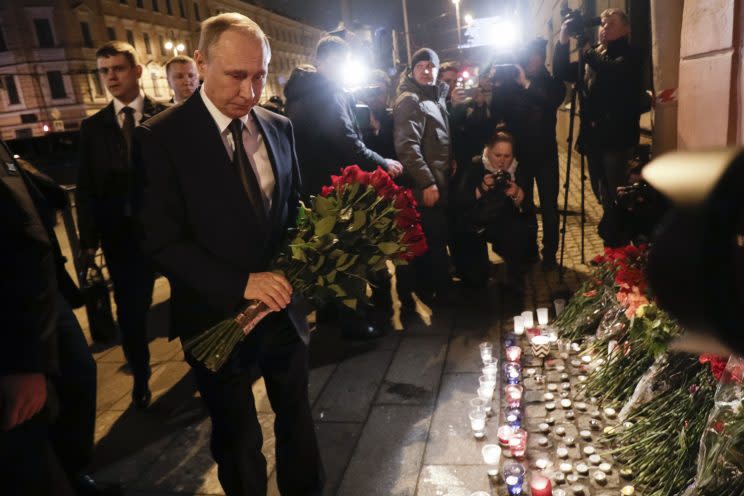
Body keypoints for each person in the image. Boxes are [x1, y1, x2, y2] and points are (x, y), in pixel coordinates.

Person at [136, 13, 323, 496]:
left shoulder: (280, 127)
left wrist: (314, 258)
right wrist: (240, 284)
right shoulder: (161, 137)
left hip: (284, 312)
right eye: (236, 75)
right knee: (238, 439)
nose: (250, 90)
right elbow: (159, 241)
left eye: (259, 75)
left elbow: (294, 210)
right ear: (201, 62)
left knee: (298, 422)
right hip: (214, 315)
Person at [0, 142, 115, 495]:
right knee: (28, 421)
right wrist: (22, 364)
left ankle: (73, 471)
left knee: (80, 375)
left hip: (45, 294)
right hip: (15, 311)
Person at [284, 36, 403, 337]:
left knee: (327, 257)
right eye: (337, 63)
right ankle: (355, 326)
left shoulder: (301, 92)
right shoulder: (325, 93)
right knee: (349, 259)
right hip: (336, 189)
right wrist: (382, 162)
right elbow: (347, 141)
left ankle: (330, 320)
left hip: (314, 188)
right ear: (321, 62)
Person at [76, 41, 168, 409]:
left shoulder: (165, 116)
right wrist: (87, 240)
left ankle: (207, 367)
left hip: (168, 232)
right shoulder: (93, 127)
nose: (111, 76)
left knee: (193, 301)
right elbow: (86, 187)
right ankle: (141, 378)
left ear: (137, 71)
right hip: (122, 239)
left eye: (118, 68)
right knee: (130, 313)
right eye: (104, 70)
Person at [553, 8, 643, 246]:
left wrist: (587, 50)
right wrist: (562, 39)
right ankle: (615, 242)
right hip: (594, 138)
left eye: (611, 24)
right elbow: (562, 72)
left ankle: (618, 247)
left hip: (618, 138)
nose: (605, 28)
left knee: (616, 193)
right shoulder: (596, 54)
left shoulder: (630, 54)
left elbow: (615, 72)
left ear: (626, 29)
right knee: (599, 190)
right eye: (603, 24)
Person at [393, 47, 453, 305]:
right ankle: (438, 295)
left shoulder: (434, 96)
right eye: (421, 66)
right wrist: (426, 181)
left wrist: (451, 158)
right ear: (412, 70)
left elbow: (438, 136)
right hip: (427, 184)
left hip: (439, 179)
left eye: (431, 66)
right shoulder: (411, 100)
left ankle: (435, 289)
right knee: (433, 240)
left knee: (437, 237)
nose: (427, 71)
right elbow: (407, 146)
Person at [451, 131, 531, 309]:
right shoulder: (474, 165)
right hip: (472, 225)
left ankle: (513, 278)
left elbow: (527, 209)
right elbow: (459, 202)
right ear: (488, 152)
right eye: (497, 155)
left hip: (502, 223)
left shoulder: (517, 169)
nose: (502, 161)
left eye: (507, 156)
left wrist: (518, 194)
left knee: (518, 232)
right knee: (475, 281)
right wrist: (482, 187)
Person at [516, 38, 566, 271]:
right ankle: (529, 250)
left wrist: (526, 84)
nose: (529, 60)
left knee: (549, 207)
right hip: (521, 156)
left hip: (546, 155)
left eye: (533, 55)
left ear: (542, 57)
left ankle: (550, 254)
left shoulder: (552, 83)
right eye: (526, 55)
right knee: (524, 205)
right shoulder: (516, 82)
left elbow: (550, 101)